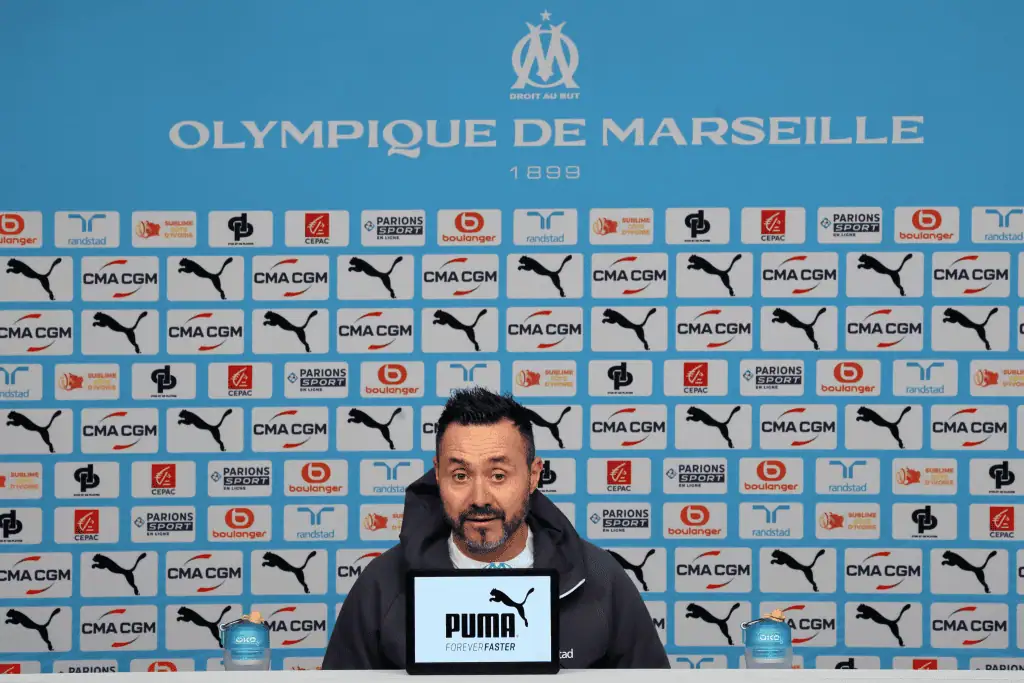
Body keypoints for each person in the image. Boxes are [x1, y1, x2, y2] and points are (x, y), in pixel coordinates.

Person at [322, 387, 670, 669]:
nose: (479, 498)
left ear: (533, 475)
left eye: (499, 475)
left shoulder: (599, 578)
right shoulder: (382, 585)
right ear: (437, 474)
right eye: (460, 475)